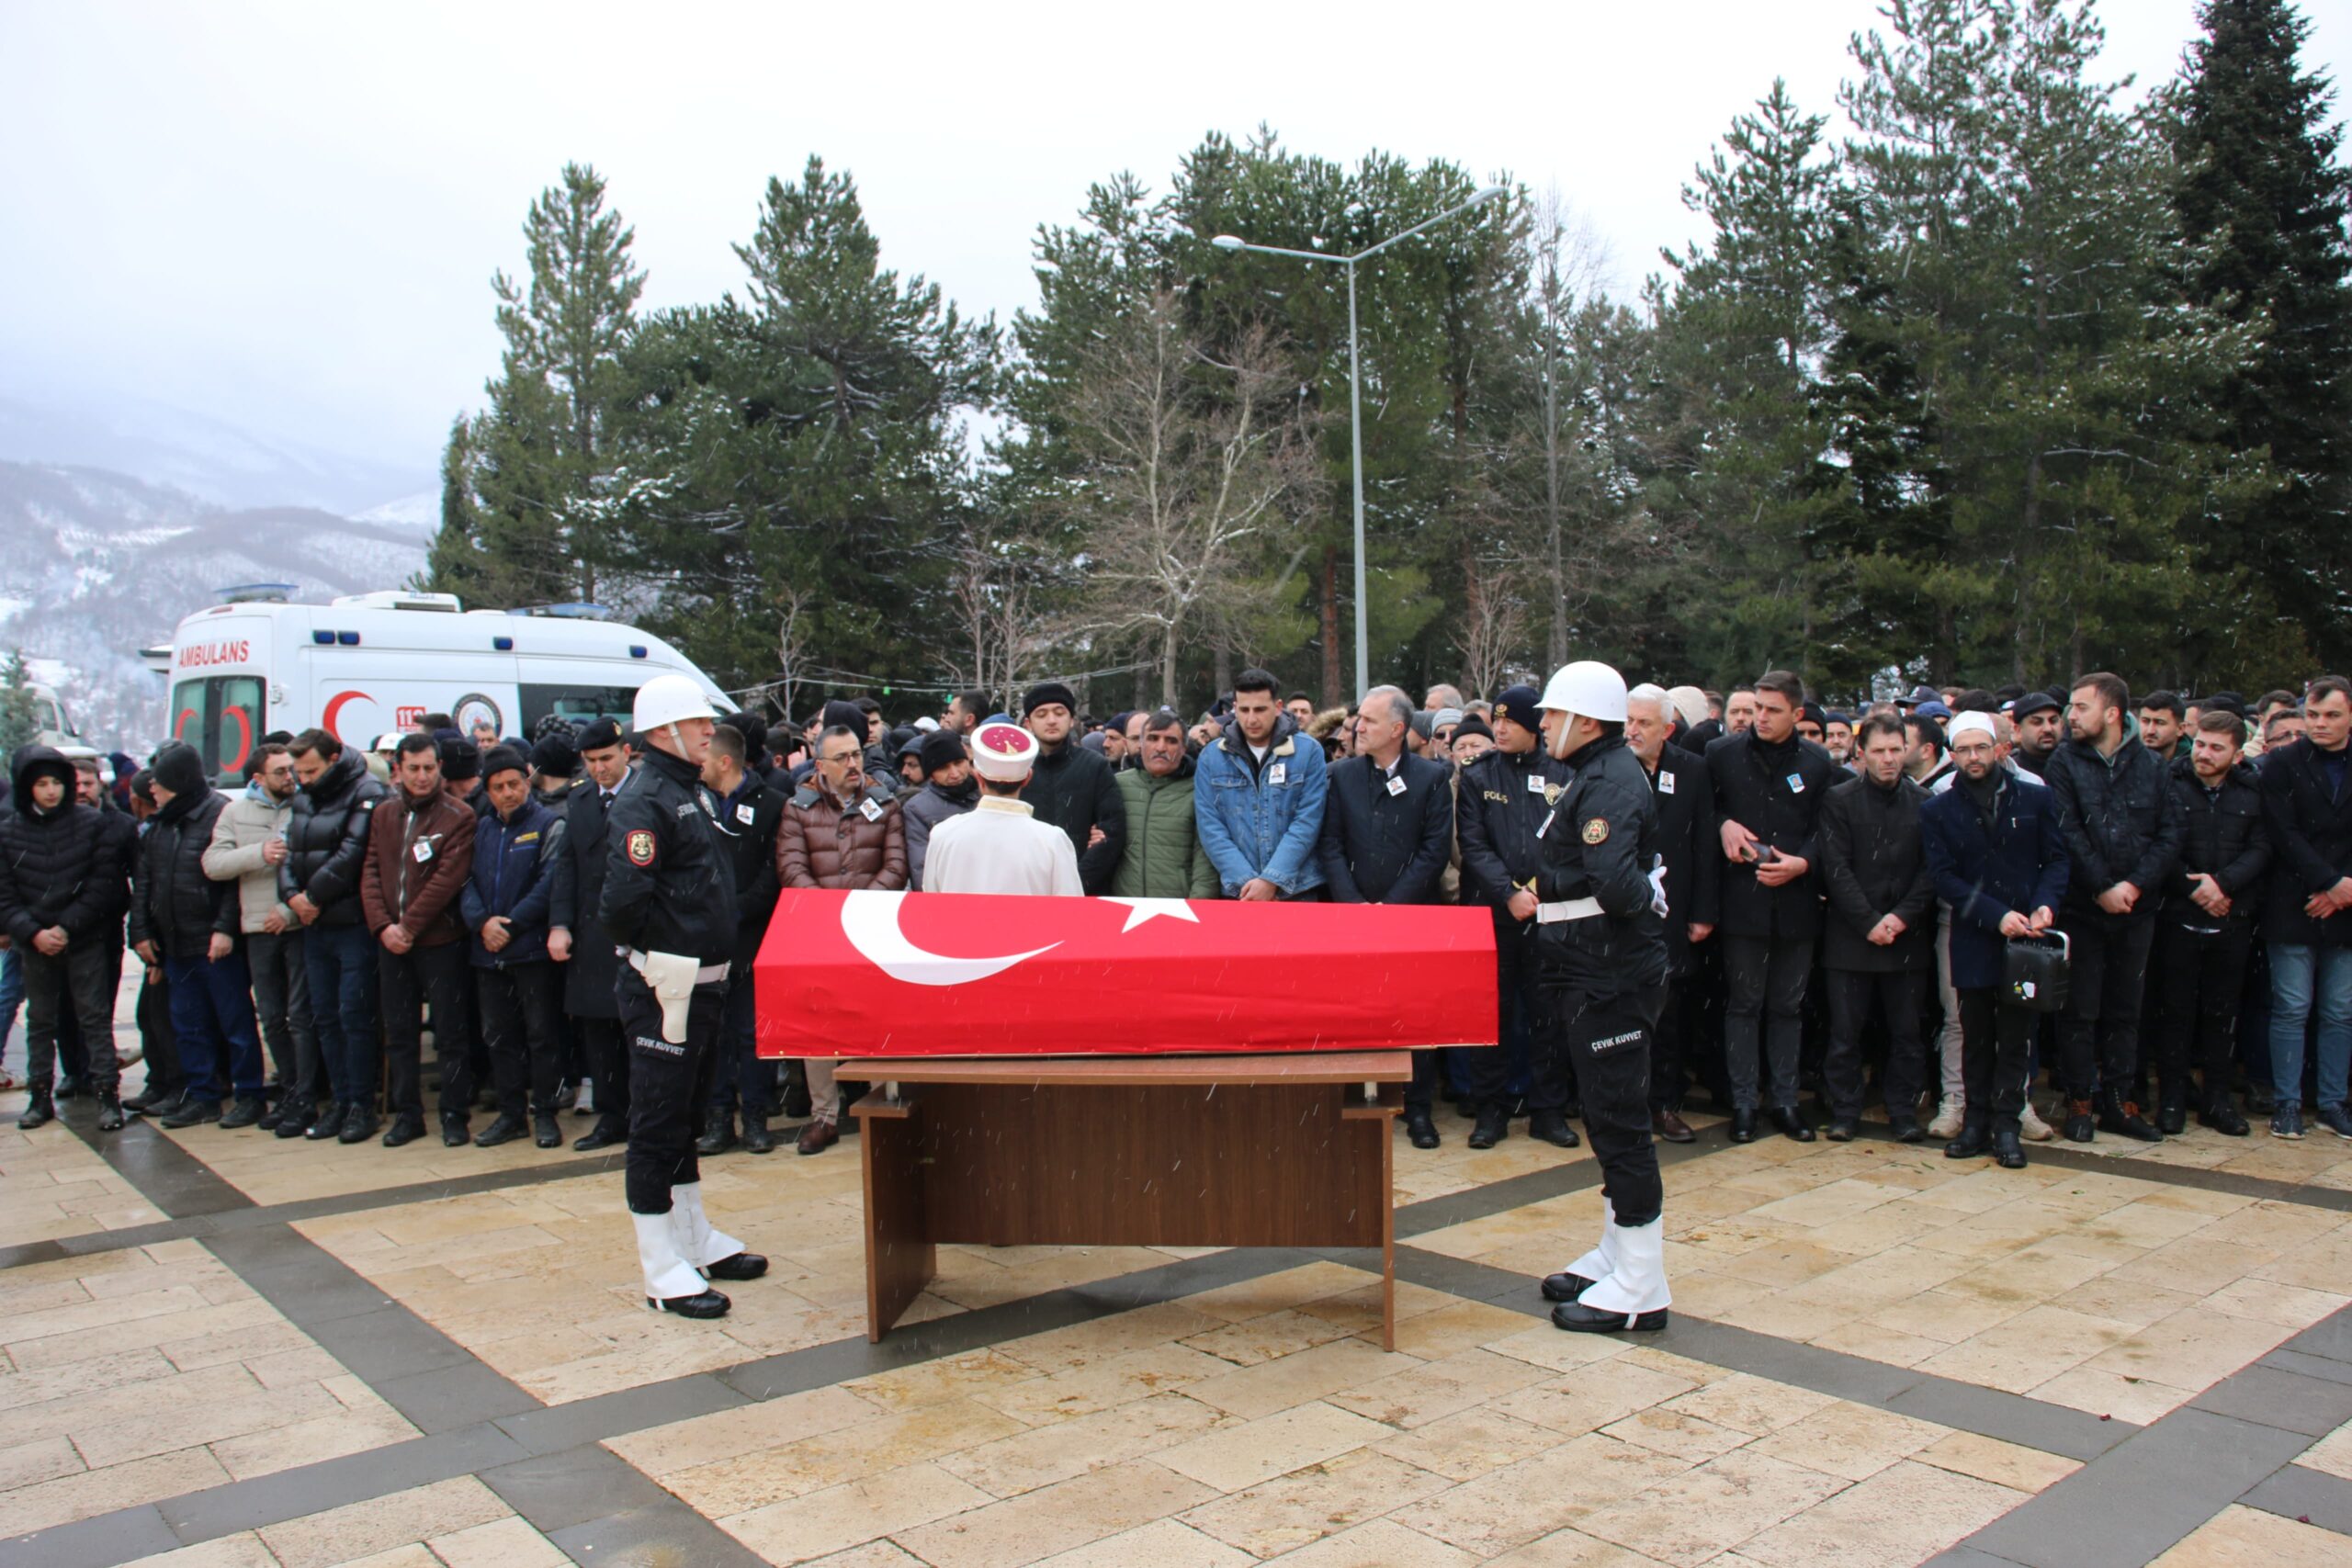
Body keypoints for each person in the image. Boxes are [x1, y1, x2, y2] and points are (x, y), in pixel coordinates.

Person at [601, 674, 762, 1320]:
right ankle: (659, 1263)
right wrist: (656, 958)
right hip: (665, 986)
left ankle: (692, 1236)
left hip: (703, 983)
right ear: (664, 730)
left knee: (688, 1114)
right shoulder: (645, 800)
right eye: (697, 723)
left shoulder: (685, 789)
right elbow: (621, 905)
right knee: (657, 1120)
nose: (707, 732)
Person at [1528, 660, 1673, 1335]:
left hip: (1609, 974)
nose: (1542, 726)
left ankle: (1643, 1281)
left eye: (1552, 715)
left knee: (1619, 1121)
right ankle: (1619, 1252)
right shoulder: (1598, 772)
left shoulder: (1610, 778)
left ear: (1586, 720)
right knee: (1607, 1114)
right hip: (1590, 969)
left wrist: (1641, 893)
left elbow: (1612, 884)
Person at [1921, 712, 2068, 1168]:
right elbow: (1943, 877)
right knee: (1975, 1035)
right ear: (1952, 756)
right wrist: (1995, 915)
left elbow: (2056, 861)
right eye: (1962, 750)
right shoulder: (1938, 809)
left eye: (1980, 748)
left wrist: (2045, 905)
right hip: (1974, 937)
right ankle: (1974, 1123)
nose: (1972, 757)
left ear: (1998, 749)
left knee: (2016, 1036)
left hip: (2025, 939)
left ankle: (2007, 1125)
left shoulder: (2036, 798)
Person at [2045, 673, 2181, 1143]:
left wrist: (2135, 885)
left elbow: (2169, 834)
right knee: (2079, 1011)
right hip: (2082, 909)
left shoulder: (2153, 767)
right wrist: (2102, 886)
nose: (2071, 716)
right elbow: (2067, 831)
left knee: (2127, 1009)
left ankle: (2120, 1101)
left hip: (2136, 911)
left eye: (2081, 707)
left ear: (2112, 714)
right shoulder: (2063, 762)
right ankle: (2079, 1101)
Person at [1707, 671, 1840, 1142]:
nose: (1760, 718)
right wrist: (1723, 823)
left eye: (1772, 710)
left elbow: (1829, 830)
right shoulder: (1722, 755)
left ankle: (1784, 1100)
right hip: (1743, 901)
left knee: (1787, 1005)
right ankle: (1744, 1102)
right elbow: (1704, 810)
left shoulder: (1818, 763)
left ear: (1796, 714)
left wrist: (1804, 863)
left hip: (1797, 903)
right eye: (1756, 707)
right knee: (1743, 1005)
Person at [1319, 685, 1455, 1147]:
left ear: (1398, 729)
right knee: (1356, 1012)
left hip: (1411, 917)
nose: (1358, 727)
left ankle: (1418, 1110)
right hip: (1351, 916)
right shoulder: (1340, 775)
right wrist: (1355, 907)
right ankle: (1358, 1100)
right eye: (1359, 719)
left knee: (1415, 1015)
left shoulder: (1432, 778)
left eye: (1370, 721)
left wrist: (1392, 908)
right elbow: (1331, 844)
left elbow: (1434, 851)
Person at [775, 723, 907, 1156]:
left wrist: (863, 909)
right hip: (822, 931)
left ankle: (882, 1107)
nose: (853, 764)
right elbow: (792, 867)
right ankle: (824, 1117)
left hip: (874, 927)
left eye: (856, 754)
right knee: (820, 1025)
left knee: (879, 1018)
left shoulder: (884, 802)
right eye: (842, 758)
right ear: (820, 765)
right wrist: (829, 915)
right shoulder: (799, 807)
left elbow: (895, 864)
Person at [1455, 684, 1576, 1148]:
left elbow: (1568, 843)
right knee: (1494, 1015)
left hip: (1548, 912)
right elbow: (1474, 843)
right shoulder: (1479, 775)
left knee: (1549, 1016)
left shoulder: (1563, 773)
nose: (1500, 729)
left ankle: (1548, 1111)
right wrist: (1508, 892)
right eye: (1496, 720)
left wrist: (1538, 889)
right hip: (1493, 914)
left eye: (1511, 722)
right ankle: (1491, 1110)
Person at [1816, 714, 1937, 1141]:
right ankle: (1846, 1111)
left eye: (1895, 750)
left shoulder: (1924, 802)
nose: (1888, 759)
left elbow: (1930, 871)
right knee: (1846, 1033)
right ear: (1860, 753)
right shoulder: (1840, 799)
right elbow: (1836, 867)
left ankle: (1902, 1110)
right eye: (1879, 751)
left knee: (1906, 1033)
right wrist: (1868, 921)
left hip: (1906, 935)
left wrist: (1901, 917)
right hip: (1851, 936)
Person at [135, 742, 267, 1130]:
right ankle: (202, 1096)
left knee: (235, 1024)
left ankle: (249, 1095)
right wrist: (141, 932)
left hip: (214, 942)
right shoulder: (161, 823)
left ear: (176, 782)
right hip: (175, 943)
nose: (152, 790)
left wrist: (225, 928)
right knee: (188, 1025)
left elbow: (231, 881)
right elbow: (146, 882)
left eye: (158, 783)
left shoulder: (218, 814)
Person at [0, 745, 130, 1131]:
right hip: (34, 942)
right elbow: (4, 894)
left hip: (83, 938)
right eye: (42, 784)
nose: (51, 791)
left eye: (57, 782)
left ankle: (108, 1095)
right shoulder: (8, 831)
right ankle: (40, 1098)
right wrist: (33, 932)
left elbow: (102, 883)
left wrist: (65, 927)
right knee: (40, 1020)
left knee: (94, 1017)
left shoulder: (91, 823)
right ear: (27, 787)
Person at [2154, 711, 2267, 1136]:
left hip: (2232, 915)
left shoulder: (2253, 790)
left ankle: (2217, 1100)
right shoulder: (2170, 781)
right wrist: (2193, 888)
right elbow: (2162, 842)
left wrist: (2223, 885)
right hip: (2179, 915)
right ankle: (2171, 1100)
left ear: (2237, 754)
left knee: (2223, 1013)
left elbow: (2261, 846)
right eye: (2200, 743)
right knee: (2175, 1012)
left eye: (2217, 748)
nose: (2204, 754)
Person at [361, 735, 478, 1147]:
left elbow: (447, 879)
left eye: (429, 768)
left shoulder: (458, 815)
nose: (423, 776)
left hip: (440, 940)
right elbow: (372, 871)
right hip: (391, 942)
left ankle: (454, 1115)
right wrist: (382, 927)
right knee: (399, 1033)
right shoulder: (385, 814)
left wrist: (408, 927)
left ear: (440, 767)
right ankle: (407, 1115)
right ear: (399, 769)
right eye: (414, 768)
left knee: (450, 1033)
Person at [202, 742, 316, 1134]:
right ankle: (288, 1087)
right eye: (280, 772)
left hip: (297, 924)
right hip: (257, 929)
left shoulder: (305, 805)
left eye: (292, 770)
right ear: (258, 779)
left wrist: (289, 910)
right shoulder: (234, 812)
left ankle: (306, 1093)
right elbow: (213, 864)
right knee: (271, 1017)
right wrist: (257, 854)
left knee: (301, 1015)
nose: (290, 777)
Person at [2257, 674, 2352, 1140]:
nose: (2320, 724)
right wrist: (2327, 881)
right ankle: (2287, 1103)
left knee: (2339, 1009)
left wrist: (2344, 888)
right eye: (2313, 715)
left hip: (2348, 904)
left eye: (2332, 715)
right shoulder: (2282, 764)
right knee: (2292, 1007)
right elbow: (2282, 831)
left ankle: (2332, 1102)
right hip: (2295, 899)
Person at [279, 729, 386, 1143]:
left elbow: (352, 852)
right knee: (323, 1016)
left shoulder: (365, 790)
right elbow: (290, 849)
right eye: (298, 771)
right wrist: (292, 896)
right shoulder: (304, 795)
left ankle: (362, 1103)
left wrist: (310, 895)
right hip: (314, 923)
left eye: (311, 770)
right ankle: (340, 1101)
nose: (303, 779)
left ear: (334, 757)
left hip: (351, 922)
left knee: (353, 1016)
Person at [1623, 684, 1718, 1144]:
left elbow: (1703, 844)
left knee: (1669, 1016)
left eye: (1644, 723)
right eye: (1629, 720)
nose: (1633, 730)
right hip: (1620, 912)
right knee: (1622, 1014)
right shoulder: (1609, 768)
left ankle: (1665, 1104)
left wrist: (1703, 911)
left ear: (1668, 729)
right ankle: (1621, 1106)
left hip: (1673, 913)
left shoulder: (1692, 769)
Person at [459, 747, 568, 1149]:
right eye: (498, 787)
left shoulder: (548, 823)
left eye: (514, 784)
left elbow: (549, 881)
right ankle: (511, 1115)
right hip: (488, 950)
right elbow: (465, 881)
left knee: (541, 1036)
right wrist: (482, 923)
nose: (508, 793)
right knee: (499, 1037)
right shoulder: (481, 829)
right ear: (487, 791)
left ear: (527, 781)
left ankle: (546, 1113)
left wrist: (512, 924)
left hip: (531, 948)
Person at [701, 722, 786, 1154]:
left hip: (753, 936)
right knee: (713, 1032)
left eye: (705, 758)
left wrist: (735, 910)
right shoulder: (693, 804)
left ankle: (756, 1116)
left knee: (752, 1033)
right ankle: (718, 1119)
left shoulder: (772, 804)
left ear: (725, 760)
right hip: (704, 940)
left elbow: (775, 871)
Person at [549, 719, 633, 1153]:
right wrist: (560, 924)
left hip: (639, 931)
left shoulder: (645, 795)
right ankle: (611, 1115)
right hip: (592, 932)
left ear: (626, 752)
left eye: (606, 758)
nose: (600, 768)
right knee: (599, 1034)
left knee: (639, 1029)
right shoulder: (580, 798)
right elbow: (566, 866)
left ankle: (646, 1114)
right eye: (591, 761)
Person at [1193, 668, 1329, 903]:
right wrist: (1248, 884)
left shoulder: (1308, 751)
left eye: (1260, 709)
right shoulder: (1211, 757)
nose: (1251, 719)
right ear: (1234, 708)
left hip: (1297, 891)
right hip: (1239, 893)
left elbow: (1307, 821)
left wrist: (1271, 880)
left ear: (1277, 707)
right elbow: (1211, 827)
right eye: (1244, 710)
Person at [1016, 682, 1125, 894]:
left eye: (1059, 712)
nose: (1051, 720)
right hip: (1026, 889)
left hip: (1085, 891)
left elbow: (1112, 832)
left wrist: (1075, 884)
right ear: (1028, 723)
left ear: (1072, 719)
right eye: (1041, 714)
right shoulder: (1018, 769)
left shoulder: (1094, 765)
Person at [1113, 709, 1219, 900]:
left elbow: (1205, 865)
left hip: (1179, 912)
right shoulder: (1117, 785)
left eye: (1171, 741)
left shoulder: (1199, 790)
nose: (1161, 747)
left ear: (1184, 748)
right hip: (1122, 910)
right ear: (1141, 744)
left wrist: (1198, 911)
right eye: (1153, 738)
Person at [902, 730, 977, 891]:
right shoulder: (917, 809)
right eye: (943, 768)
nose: (954, 773)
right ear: (931, 775)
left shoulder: (986, 794)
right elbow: (921, 869)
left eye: (958, 762)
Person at [2010, 692, 2063, 777]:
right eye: (2037, 722)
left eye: (2053, 721)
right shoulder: (2012, 773)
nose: (2048, 729)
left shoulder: (2076, 766)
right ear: (2018, 730)